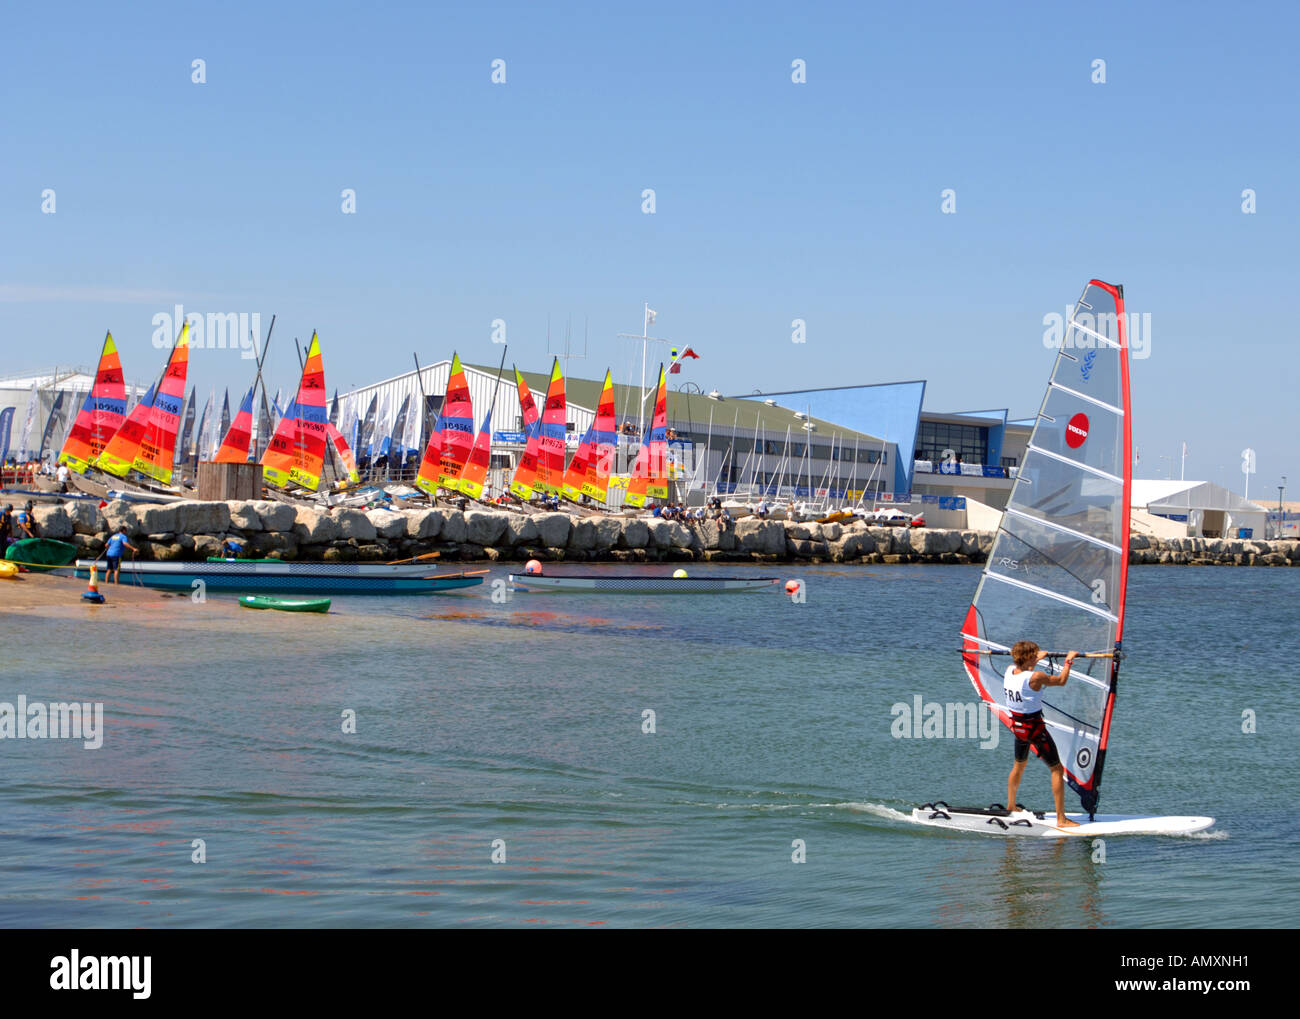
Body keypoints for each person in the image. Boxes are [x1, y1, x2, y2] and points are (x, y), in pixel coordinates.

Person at [1004, 641, 1080, 828]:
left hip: (1018, 729)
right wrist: (1068, 661)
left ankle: (1011, 805)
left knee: (1018, 766)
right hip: (1035, 731)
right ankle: (1061, 819)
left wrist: (1037, 657)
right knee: (1057, 770)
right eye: (1035, 655)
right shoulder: (1036, 677)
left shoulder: (1008, 671)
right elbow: (1061, 681)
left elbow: (1024, 666)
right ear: (1029, 658)